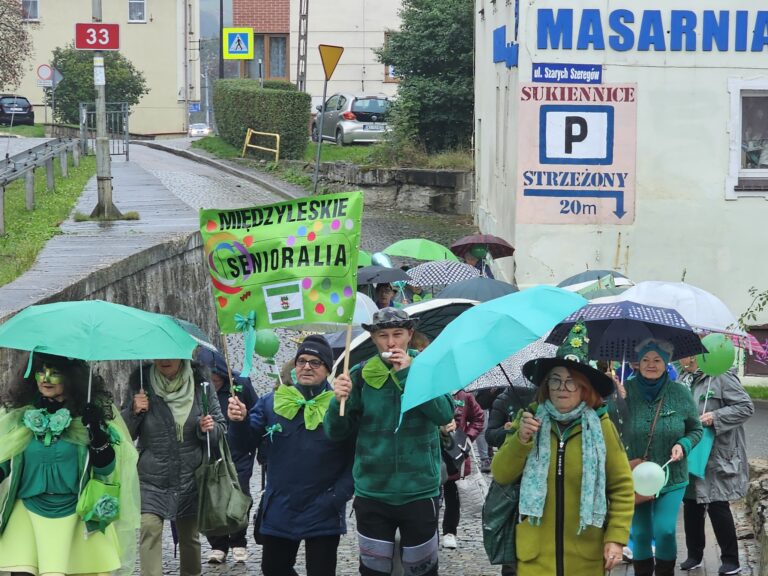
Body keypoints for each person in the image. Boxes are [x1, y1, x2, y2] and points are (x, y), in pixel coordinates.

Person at [491, 324, 634, 576]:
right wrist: (520, 440)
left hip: (585, 558)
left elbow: (621, 488)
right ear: (546, 385)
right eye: (555, 380)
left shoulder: (602, 427)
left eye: (571, 382)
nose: (562, 388)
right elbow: (501, 474)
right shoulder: (529, 420)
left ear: (583, 388)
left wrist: (616, 537)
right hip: (534, 559)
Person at [324, 307, 455, 576]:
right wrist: (338, 402)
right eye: (383, 335)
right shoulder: (360, 375)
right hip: (373, 491)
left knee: (423, 570)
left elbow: (443, 414)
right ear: (374, 339)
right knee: (373, 570)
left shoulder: (427, 368)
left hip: (419, 490)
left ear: (410, 334)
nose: (391, 342)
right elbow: (336, 432)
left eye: (397, 334)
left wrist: (410, 375)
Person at [0, 352, 140, 575]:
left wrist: (96, 432)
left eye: (55, 373)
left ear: (72, 378)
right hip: (26, 512)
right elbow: (5, 461)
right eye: (40, 372)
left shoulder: (87, 420)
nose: (45, 379)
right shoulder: (21, 418)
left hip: (75, 516)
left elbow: (106, 469)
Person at [228, 335, 354, 576]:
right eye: (302, 361)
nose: (307, 366)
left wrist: (338, 496)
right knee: (273, 569)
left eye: (316, 362)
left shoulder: (340, 405)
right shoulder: (271, 402)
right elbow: (245, 444)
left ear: (328, 369)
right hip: (281, 507)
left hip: (324, 508)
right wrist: (239, 421)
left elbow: (355, 456)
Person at [122, 357, 226, 576]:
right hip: (151, 476)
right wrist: (134, 411)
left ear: (182, 356)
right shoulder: (140, 383)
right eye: (159, 355)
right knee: (149, 528)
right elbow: (125, 434)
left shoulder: (201, 384)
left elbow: (220, 428)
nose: (164, 360)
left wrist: (208, 428)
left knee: (189, 536)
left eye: (170, 355)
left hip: (190, 474)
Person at [623, 339, 703, 576]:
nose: (651, 364)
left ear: (666, 362)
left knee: (665, 530)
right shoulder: (626, 392)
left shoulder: (679, 393)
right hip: (635, 474)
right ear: (637, 363)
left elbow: (695, 429)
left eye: (657, 360)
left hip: (672, 475)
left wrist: (683, 444)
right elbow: (609, 427)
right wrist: (610, 398)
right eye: (646, 359)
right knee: (639, 533)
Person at [678, 355, 753, 575]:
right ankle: (694, 555)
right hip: (691, 448)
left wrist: (716, 416)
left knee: (717, 503)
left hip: (716, 451)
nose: (683, 358)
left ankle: (731, 559)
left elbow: (745, 407)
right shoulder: (684, 378)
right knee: (691, 503)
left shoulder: (721, 376)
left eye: (688, 353)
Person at [197, 348, 259, 564]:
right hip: (210, 452)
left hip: (238, 452)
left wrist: (244, 415)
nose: (213, 382)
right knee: (213, 497)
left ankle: (239, 541)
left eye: (216, 377)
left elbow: (257, 411)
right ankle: (218, 545)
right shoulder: (198, 389)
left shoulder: (240, 385)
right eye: (208, 378)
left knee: (239, 494)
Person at [441, 389, 484, 550]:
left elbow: (479, 418)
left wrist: (465, 438)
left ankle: (449, 532)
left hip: (455, 454)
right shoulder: (430, 393)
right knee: (431, 496)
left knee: (453, 495)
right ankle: (429, 532)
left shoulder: (464, 395)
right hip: (431, 453)